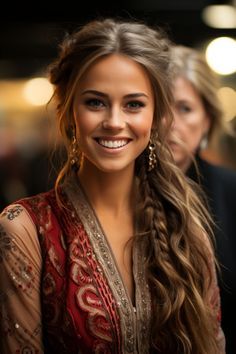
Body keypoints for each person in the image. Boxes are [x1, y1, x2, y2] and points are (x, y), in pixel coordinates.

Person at [0, 19, 225, 354]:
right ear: (68, 110)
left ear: (156, 115)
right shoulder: (24, 230)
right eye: (95, 102)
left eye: (134, 104)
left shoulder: (186, 227)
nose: (115, 122)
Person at [168, 44, 236, 354]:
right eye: (159, 105)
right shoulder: (117, 192)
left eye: (184, 108)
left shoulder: (230, 189)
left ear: (207, 120)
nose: (169, 122)